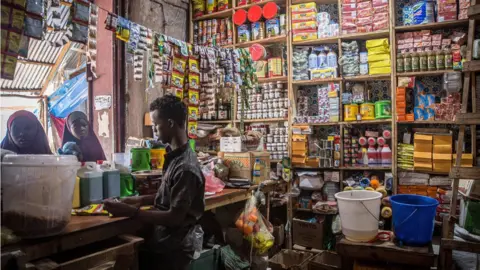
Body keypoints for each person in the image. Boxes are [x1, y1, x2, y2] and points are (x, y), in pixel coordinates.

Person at [104, 95, 205, 270]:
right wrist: (140, 200)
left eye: (156, 125)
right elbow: (170, 196)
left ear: (171, 124)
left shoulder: (186, 167)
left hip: (173, 249)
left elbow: (174, 217)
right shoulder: (173, 156)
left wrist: (132, 212)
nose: (154, 131)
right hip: (162, 241)